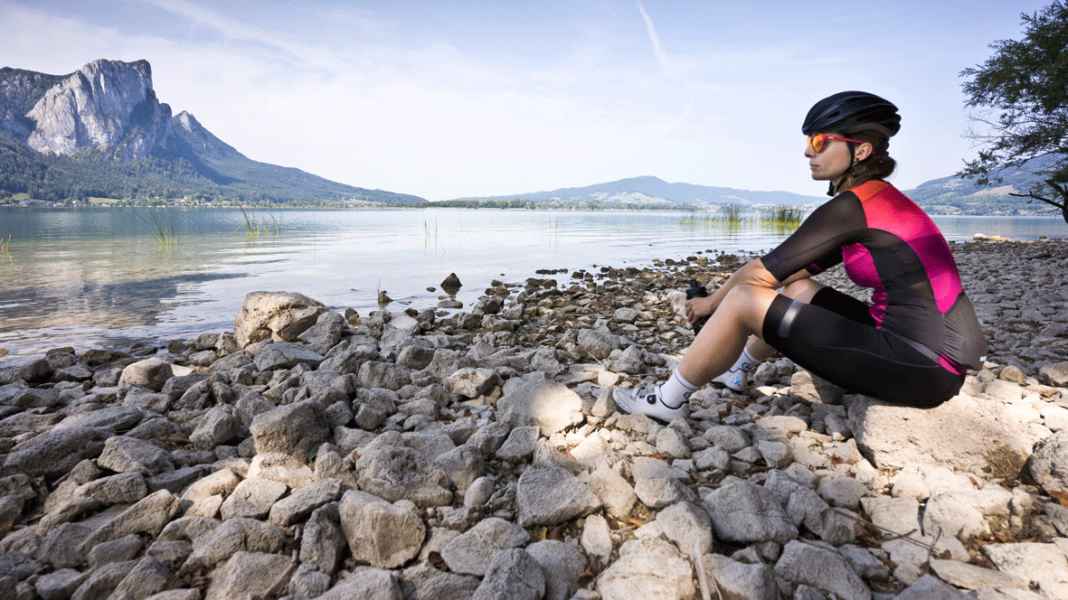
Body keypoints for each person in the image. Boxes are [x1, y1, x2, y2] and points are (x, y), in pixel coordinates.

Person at [612, 91, 987, 422]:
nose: (809, 150)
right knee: (800, 287)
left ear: (862, 150)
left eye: (822, 140)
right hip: (920, 351)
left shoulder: (855, 206)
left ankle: (667, 400)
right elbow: (785, 274)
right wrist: (719, 305)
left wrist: (711, 304)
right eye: (810, 140)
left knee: (745, 300)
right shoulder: (877, 201)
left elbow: (759, 275)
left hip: (923, 366)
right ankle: (737, 370)